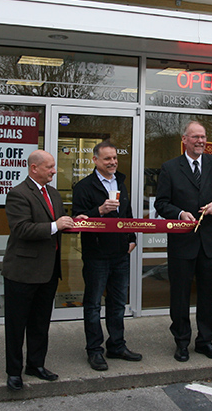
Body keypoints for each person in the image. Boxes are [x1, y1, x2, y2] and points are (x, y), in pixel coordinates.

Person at [155, 120, 212, 362]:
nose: (201, 141)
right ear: (184, 140)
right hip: (182, 243)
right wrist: (180, 213)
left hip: (209, 243)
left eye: (203, 137)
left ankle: (205, 341)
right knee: (180, 296)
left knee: (208, 295)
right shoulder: (170, 168)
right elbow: (161, 203)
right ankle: (181, 342)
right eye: (195, 137)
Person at [2, 149, 78, 391]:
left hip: (48, 271)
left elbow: (62, 223)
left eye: (54, 166)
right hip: (23, 272)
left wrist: (79, 221)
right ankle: (14, 372)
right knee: (16, 326)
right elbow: (21, 229)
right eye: (49, 167)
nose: (54, 171)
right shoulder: (18, 193)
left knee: (40, 323)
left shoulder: (53, 194)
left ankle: (36, 365)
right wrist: (55, 225)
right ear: (34, 168)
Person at [72, 140, 142, 371]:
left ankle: (117, 345)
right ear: (95, 160)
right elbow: (78, 220)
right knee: (93, 304)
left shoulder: (121, 182)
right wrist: (99, 211)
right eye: (107, 159)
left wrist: (132, 238)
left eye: (115, 158)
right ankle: (94, 350)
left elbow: (128, 214)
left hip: (121, 253)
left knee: (118, 303)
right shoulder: (84, 187)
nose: (113, 162)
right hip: (97, 255)